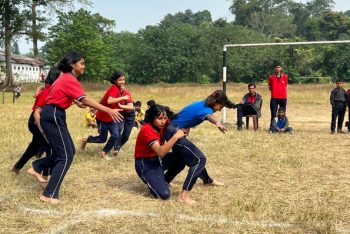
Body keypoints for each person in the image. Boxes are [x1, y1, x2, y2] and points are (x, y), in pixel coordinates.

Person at [27, 51, 123, 205]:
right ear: (72, 64)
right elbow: (84, 99)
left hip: (54, 114)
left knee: (68, 152)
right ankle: (48, 194)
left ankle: (38, 166)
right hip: (53, 115)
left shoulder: (65, 79)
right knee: (65, 156)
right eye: (82, 63)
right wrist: (108, 110)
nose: (84, 66)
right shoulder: (69, 79)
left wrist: (83, 104)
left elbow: (78, 101)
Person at [165, 90, 235, 204]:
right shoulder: (206, 110)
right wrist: (217, 123)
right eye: (220, 107)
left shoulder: (201, 103)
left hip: (173, 129)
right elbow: (209, 116)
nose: (219, 110)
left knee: (182, 159)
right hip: (174, 132)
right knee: (199, 159)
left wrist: (186, 126)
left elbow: (187, 115)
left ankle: (165, 181)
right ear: (215, 103)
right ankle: (183, 196)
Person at [12, 67, 61, 175]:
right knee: (50, 149)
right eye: (61, 77)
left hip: (41, 123)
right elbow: (37, 113)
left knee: (34, 147)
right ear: (56, 78)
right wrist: (42, 130)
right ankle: (44, 175)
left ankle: (17, 167)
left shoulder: (52, 91)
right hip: (36, 123)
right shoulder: (47, 92)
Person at [134, 104, 186, 200]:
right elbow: (160, 152)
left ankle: (164, 181)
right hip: (145, 163)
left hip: (158, 160)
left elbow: (181, 123)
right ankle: (156, 183)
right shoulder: (147, 129)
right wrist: (176, 136)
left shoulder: (163, 124)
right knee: (164, 195)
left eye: (165, 118)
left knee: (182, 158)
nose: (163, 121)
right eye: (159, 118)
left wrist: (186, 128)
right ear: (152, 118)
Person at [81, 71, 130, 159]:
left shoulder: (117, 88)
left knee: (115, 136)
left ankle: (103, 153)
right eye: (120, 80)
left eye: (123, 79)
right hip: (103, 117)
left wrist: (96, 110)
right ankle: (87, 139)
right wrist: (123, 97)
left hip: (112, 117)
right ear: (115, 81)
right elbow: (109, 101)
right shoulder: (114, 88)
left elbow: (103, 99)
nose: (122, 81)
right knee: (103, 138)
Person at [113, 76, 135, 156]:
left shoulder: (127, 93)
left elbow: (131, 106)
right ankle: (116, 148)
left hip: (129, 114)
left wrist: (120, 106)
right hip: (120, 113)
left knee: (126, 135)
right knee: (118, 130)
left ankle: (118, 146)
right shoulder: (114, 93)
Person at [268, 61, 288, 125]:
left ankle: (283, 127)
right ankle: (272, 127)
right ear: (274, 68)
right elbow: (270, 87)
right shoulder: (271, 77)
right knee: (273, 113)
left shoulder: (285, 77)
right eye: (276, 67)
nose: (277, 68)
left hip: (283, 97)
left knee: (282, 113)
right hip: (274, 98)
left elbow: (285, 85)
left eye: (279, 67)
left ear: (281, 68)